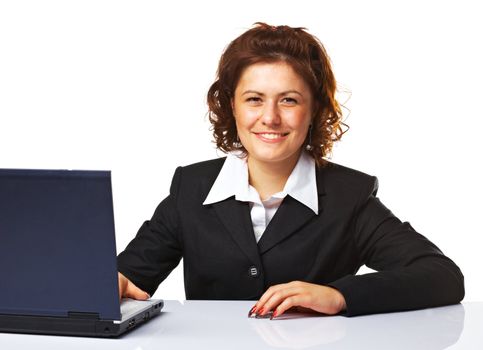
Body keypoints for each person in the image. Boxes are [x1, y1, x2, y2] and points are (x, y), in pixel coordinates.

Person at [117, 22, 464, 318]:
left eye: (289, 100)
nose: (270, 117)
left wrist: (339, 295)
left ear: (313, 110)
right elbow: (130, 277)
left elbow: (442, 276)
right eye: (254, 99)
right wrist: (112, 282)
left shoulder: (349, 197)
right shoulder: (191, 188)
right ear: (232, 107)